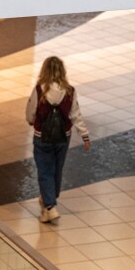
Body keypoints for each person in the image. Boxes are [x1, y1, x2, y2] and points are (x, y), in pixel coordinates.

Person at [26, 56, 90, 223]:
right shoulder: (70, 91)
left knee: (45, 170)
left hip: (42, 137)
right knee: (57, 169)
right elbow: (75, 114)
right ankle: (50, 200)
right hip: (63, 136)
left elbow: (31, 111)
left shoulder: (40, 90)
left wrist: (31, 120)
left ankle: (50, 206)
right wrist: (85, 135)